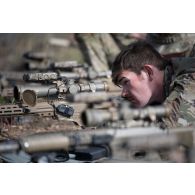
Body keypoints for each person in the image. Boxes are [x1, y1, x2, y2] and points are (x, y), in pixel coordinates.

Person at [111, 41, 195, 129]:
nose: (123, 93)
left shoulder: (189, 80)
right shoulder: (161, 93)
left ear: (148, 72)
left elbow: (166, 131)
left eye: (125, 82)